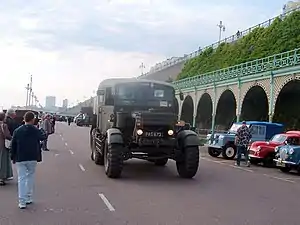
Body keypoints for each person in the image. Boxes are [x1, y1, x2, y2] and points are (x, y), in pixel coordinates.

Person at [11, 111, 46, 209]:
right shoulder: (35, 130)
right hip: (32, 157)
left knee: (21, 179)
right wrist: (41, 129)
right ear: (33, 119)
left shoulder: (18, 130)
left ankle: (22, 201)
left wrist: (12, 156)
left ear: (24, 119)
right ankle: (28, 197)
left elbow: (13, 144)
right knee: (30, 177)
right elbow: (43, 137)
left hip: (20, 157)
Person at [0, 112, 13, 185]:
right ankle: (1, 178)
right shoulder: (3, 125)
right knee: (2, 162)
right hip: (2, 145)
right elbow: (7, 135)